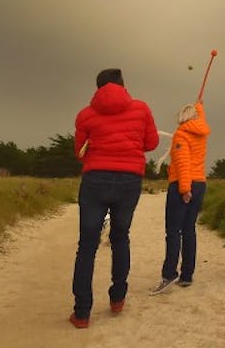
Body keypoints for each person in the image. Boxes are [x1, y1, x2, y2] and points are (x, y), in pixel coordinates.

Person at [69, 68, 159, 328]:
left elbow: (79, 151)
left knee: (87, 246)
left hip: (95, 180)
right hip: (129, 181)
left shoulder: (85, 114)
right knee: (120, 237)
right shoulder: (141, 109)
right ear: (122, 85)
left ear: (98, 88)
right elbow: (151, 143)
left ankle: (82, 313)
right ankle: (117, 298)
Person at [150, 100, 210, 294]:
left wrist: (184, 189)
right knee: (189, 229)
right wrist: (200, 106)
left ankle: (169, 274)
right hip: (200, 183)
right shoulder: (201, 133)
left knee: (173, 231)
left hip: (183, 184)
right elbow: (202, 118)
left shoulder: (181, 135)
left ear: (182, 117)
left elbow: (183, 163)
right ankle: (187, 275)